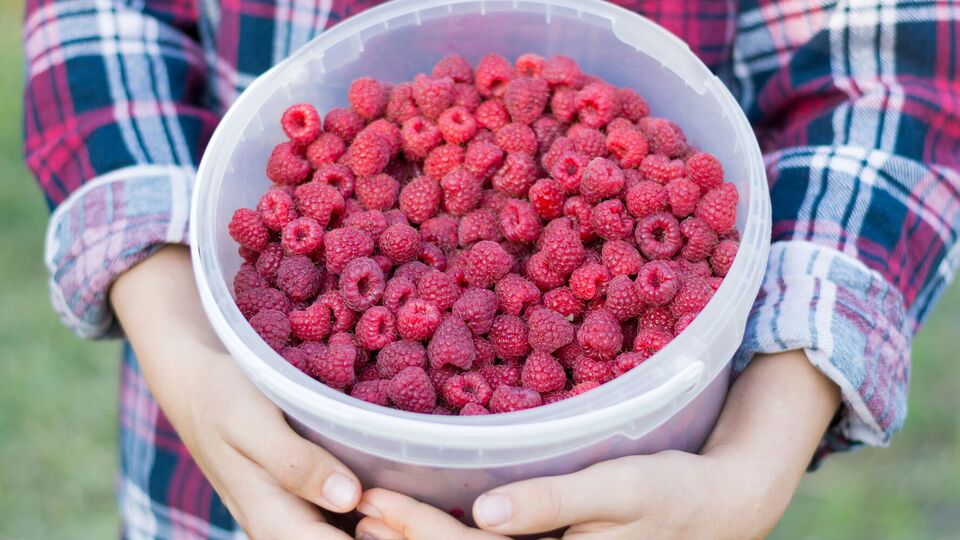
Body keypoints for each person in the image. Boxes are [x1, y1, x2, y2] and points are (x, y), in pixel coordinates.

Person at [23, 0, 959, 538]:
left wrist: (754, 464)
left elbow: (891, 82)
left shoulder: (573, 248)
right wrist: (181, 344)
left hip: (651, 488)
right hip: (239, 461)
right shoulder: (342, 255)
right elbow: (103, 24)